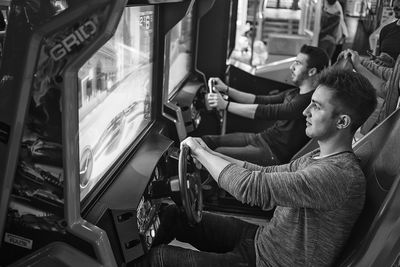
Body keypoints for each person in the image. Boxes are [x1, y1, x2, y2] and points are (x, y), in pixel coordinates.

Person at [138, 67, 377, 267]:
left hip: (269, 262)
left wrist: (200, 152)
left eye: (316, 106)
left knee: (159, 259)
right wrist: (209, 154)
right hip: (263, 240)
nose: (305, 111)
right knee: (172, 216)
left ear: (342, 121)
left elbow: (252, 187)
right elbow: (263, 172)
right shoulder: (319, 156)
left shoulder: (337, 175)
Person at [202, 45, 329, 166]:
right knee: (209, 141)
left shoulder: (308, 101)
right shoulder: (294, 92)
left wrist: (225, 105)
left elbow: (266, 111)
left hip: (272, 153)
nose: (291, 67)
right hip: (262, 139)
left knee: (216, 155)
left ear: (312, 71)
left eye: (298, 63)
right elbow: (258, 100)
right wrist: (226, 89)